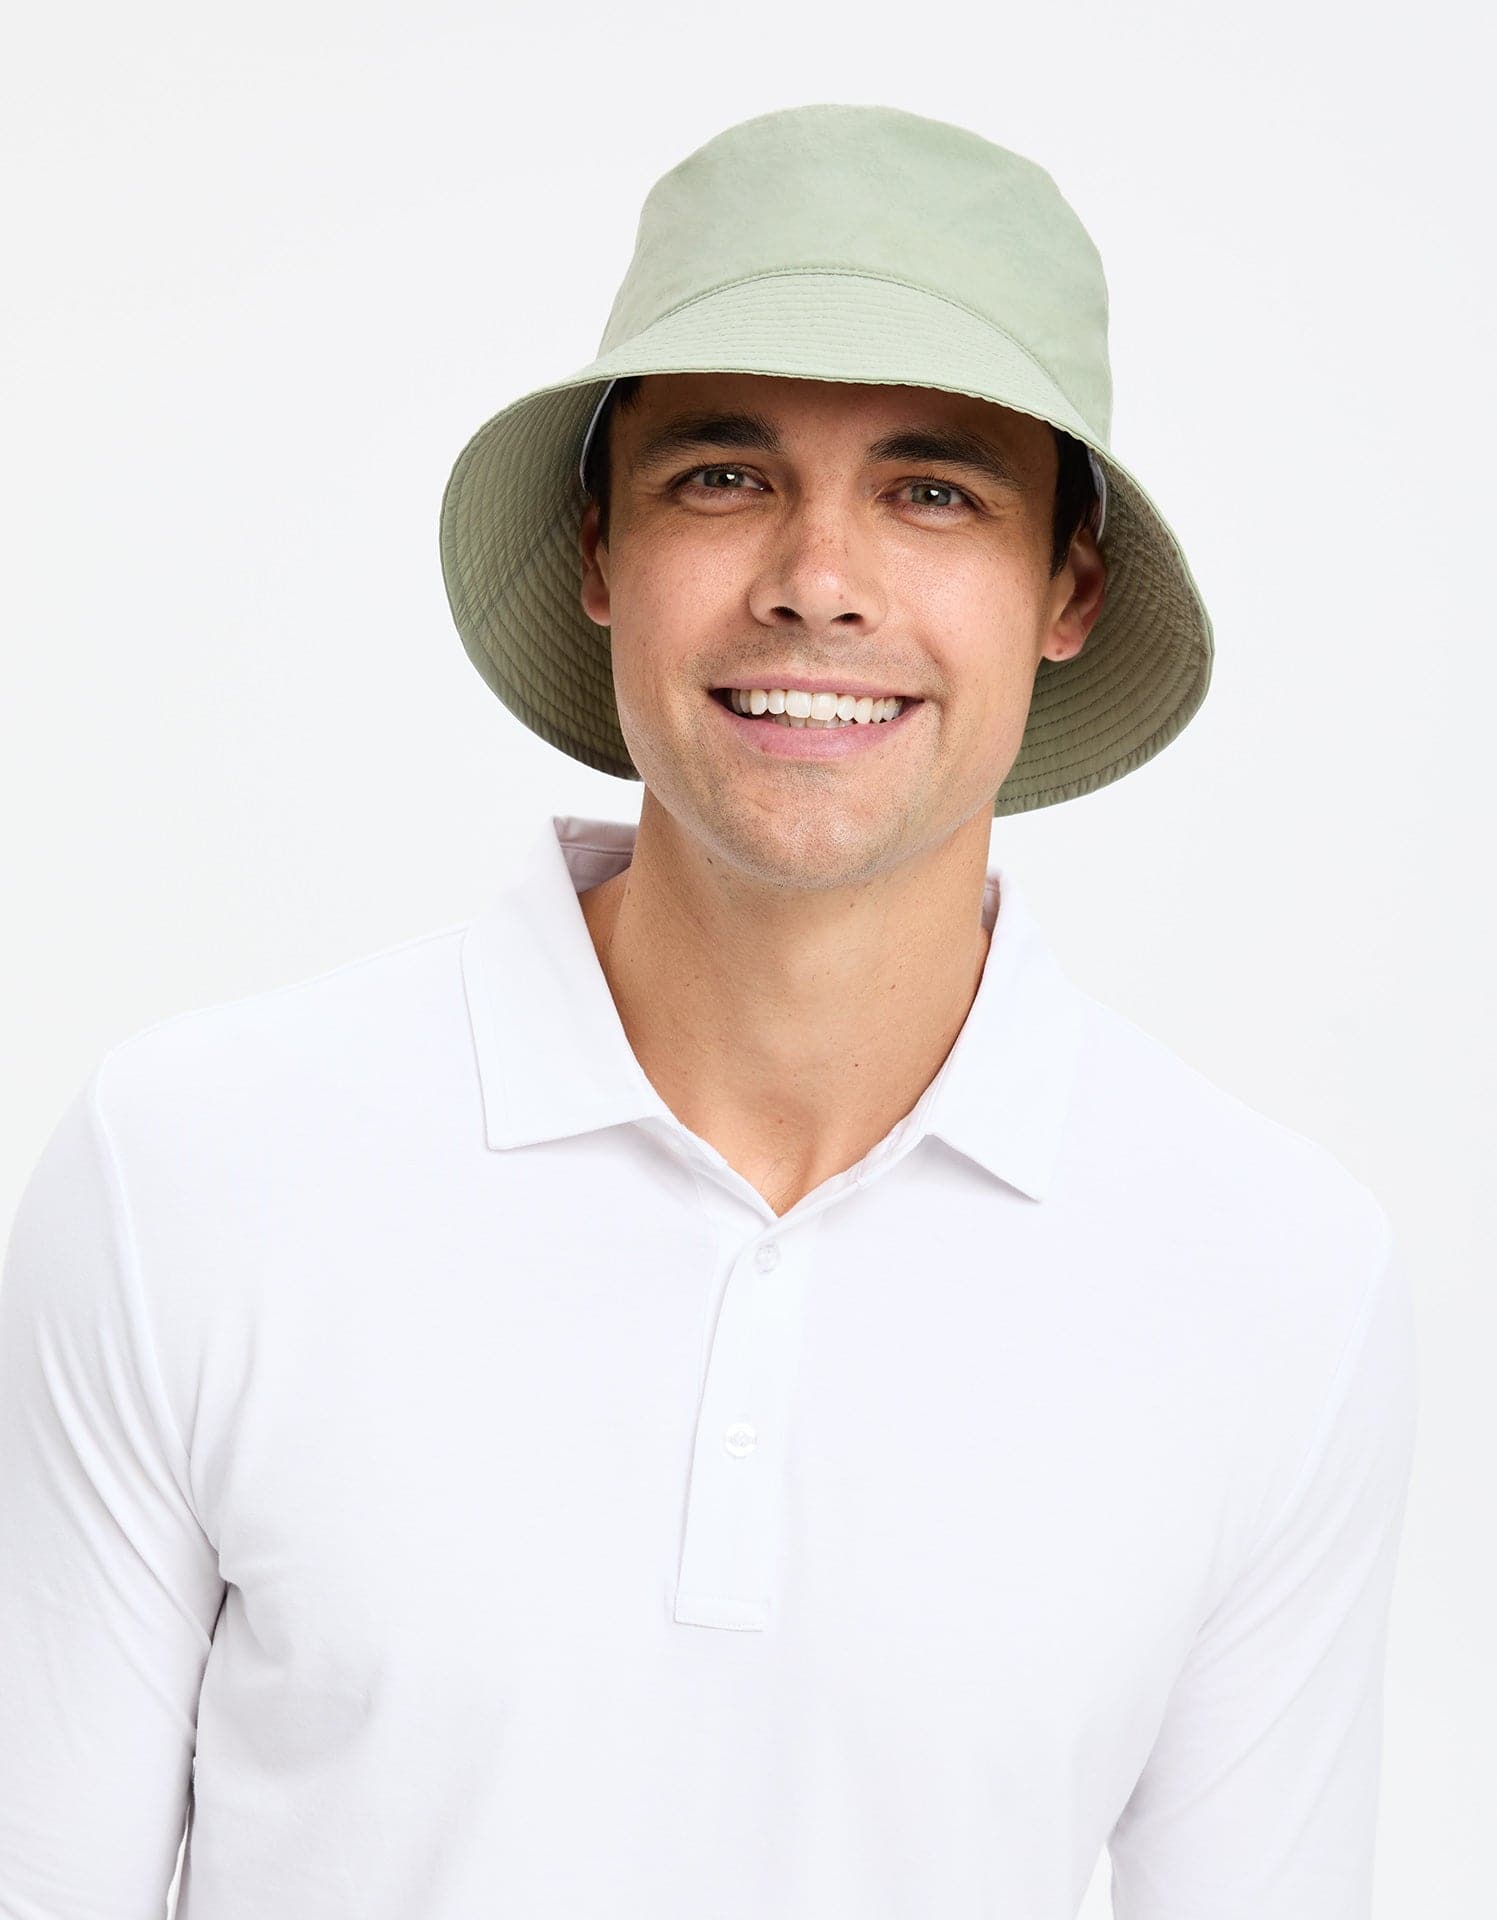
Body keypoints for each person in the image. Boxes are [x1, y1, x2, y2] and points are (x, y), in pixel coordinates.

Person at [0, 104, 1418, 1919]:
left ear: (1066, 584)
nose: (815, 581)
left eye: (932, 491)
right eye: (721, 477)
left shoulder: (1275, 1279)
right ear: (598, 551)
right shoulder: (192, 1169)